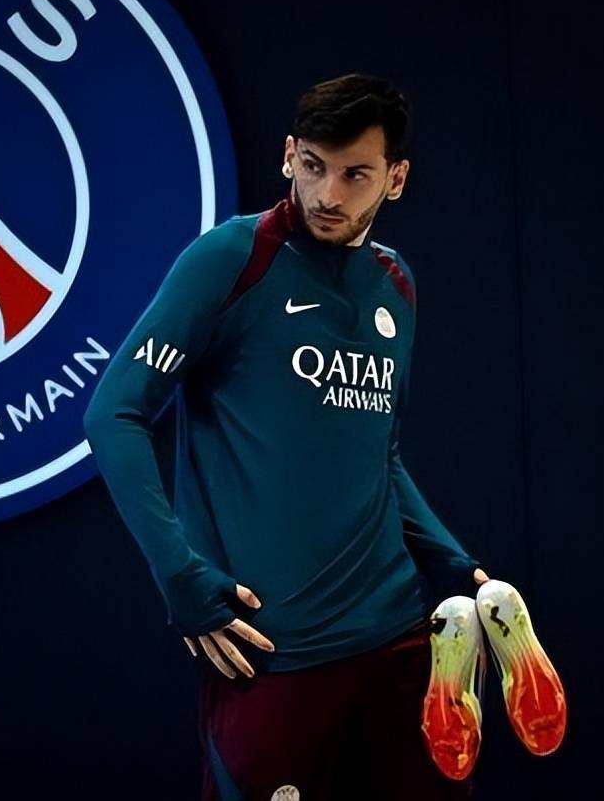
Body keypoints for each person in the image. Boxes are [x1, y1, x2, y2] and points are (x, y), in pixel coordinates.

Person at [83, 73, 491, 800]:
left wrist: (453, 563)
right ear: (288, 155)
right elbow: (113, 414)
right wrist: (181, 576)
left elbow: (380, 454)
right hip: (275, 652)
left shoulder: (396, 283)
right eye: (313, 166)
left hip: (398, 635)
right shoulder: (233, 259)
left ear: (395, 179)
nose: (328, 193)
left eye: (355, 174)